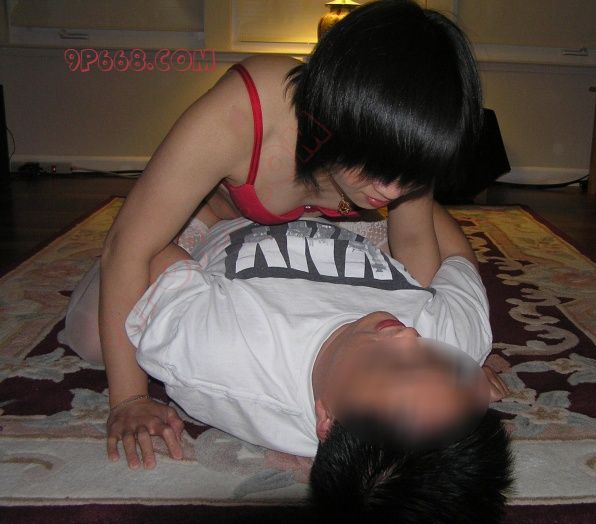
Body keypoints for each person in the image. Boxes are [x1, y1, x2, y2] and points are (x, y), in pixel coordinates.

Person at [62, 0, 484, 468]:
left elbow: (416, 255)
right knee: (98, 338)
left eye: (411, 175)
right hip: (216, 217)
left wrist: (442, 365)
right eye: (376, 167)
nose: (389, 190)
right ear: (335, 108)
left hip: (341, 222)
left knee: (414, 251)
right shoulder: (252, 109)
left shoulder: (397, 166)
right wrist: (128, 399)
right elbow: (127, 244)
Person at [121, 201, 513, 521]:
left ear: (326, 420)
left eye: (390, 368)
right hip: (362, 219)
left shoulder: (214, 352)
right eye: (437, 361)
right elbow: (458, 257)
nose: (408, 335)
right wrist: (404, 181)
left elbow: (146, 250)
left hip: (232, 214)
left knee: (102, 329)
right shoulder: (457, 341)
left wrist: (129, 397)